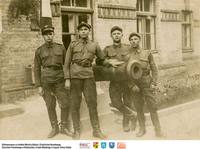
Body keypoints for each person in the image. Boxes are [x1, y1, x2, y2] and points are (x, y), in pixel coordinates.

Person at [64, 22, 107, 139]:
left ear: (89, 31)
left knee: (92, 103)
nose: (83, 31)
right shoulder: (72, 45)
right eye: (81, 29)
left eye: (86, 29)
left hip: (88, 76)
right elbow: (66, 63)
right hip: (75, 77)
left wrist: (109, 63)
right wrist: (67, 79)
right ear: (78, 32)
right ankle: (77, 130)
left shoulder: (94, 45)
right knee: (74, 104)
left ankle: (96, 130)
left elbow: (102, 59)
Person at [34, 25, 73, 138]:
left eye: (50, 34)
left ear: (53, 34)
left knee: (65, 103)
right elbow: (36, 68)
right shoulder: (39, 51)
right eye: (46, 34)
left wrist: (67, 79)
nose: (49, 36)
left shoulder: (60, 48)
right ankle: (54, 128)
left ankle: (64, 127)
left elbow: (66, 65)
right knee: (50, 105)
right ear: (43, 36)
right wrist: (39, 86)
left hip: (59, 79)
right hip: (46, 80)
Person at [128, 32, 163, 137]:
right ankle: (142, 129)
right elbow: (125, 72)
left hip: (147, 81)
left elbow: (154, 67)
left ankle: (158, 130)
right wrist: (131, 85)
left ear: (139, 40)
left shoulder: (147, 52)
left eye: (136, 39)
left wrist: (154, 82)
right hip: (135, 83)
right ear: (129, 41)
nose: (134, 41)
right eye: (132, 39)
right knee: (138, 107)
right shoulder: (127, 55)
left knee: (152, 107)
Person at [103, 26, 136, 132]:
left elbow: (134, 61)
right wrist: (109, 62)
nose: (116, 35)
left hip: (126, 80)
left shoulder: (128, 48)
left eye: (118, 33)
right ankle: (132, 115)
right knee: (115, 102)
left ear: (122, 35)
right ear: (111, 36)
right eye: (114, 33)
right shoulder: (107, 49)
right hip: (114, 81)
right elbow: (99, 61)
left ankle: (126, 124)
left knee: (127, 102)